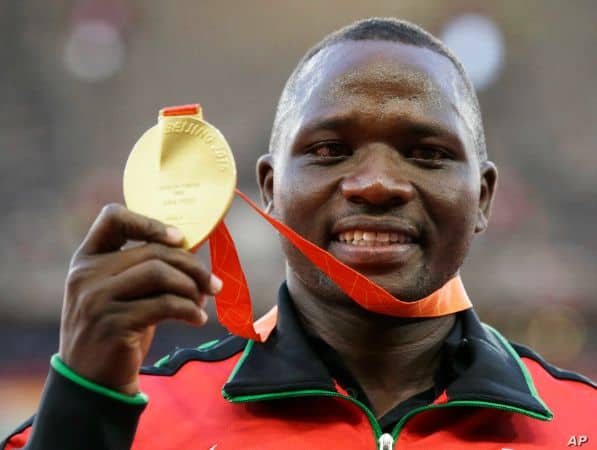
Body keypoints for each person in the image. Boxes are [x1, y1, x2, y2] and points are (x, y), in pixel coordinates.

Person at [3, 17, 595, 450]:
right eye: (329, 150)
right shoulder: (136, 422)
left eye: (428, 153)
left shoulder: (582, 426)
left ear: (483, 197)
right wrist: (84, 407)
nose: (376, 183)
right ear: (269, 189)